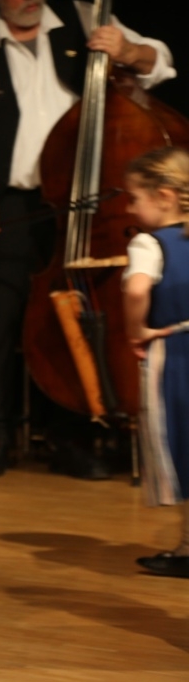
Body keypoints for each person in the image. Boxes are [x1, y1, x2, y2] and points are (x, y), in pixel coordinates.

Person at [0, 0, 176, 477]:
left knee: (82, 316)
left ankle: (71, 437)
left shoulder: (84, 17)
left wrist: (128, 50)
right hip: (16, 200)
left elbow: (160, 63)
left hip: (89, 200)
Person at [120, 147, 189, 577]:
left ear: (164, 196)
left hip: (178, 354)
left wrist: (137, 330)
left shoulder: (149, 243)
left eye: (134, 198)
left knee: (183, 444)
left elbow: (136, 290)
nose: (129, 208)